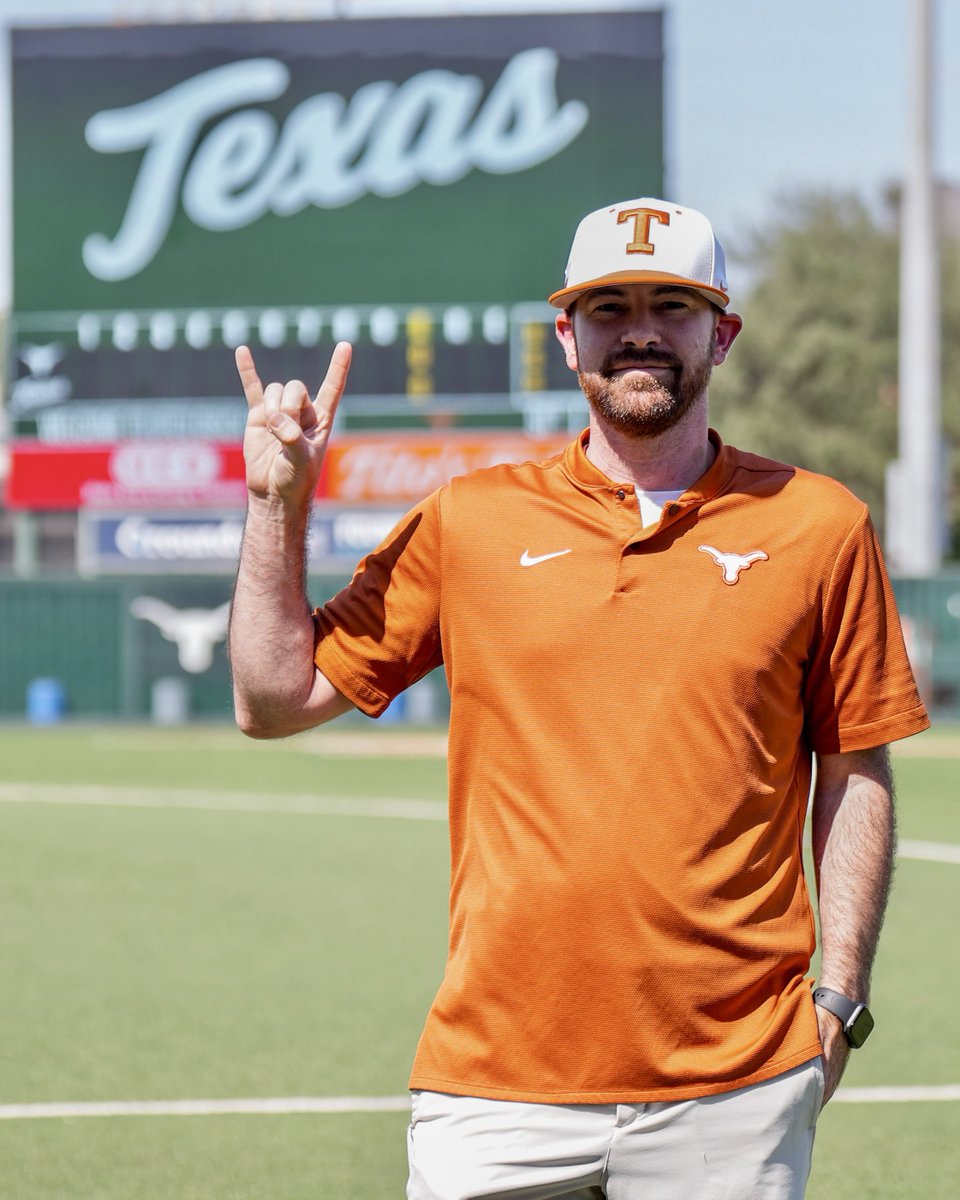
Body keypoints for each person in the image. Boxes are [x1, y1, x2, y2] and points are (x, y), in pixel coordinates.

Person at [229, 197, 930, 1200]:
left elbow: (856, 771)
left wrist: (842, 996)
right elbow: (273, 695)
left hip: (735, 1083)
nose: (639, 331)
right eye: (608, 308)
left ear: (722, 333)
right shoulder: (468, 521)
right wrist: (275, 505)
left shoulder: (820, 526)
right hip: (495, 1084)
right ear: (567, 336)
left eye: (671, 306)